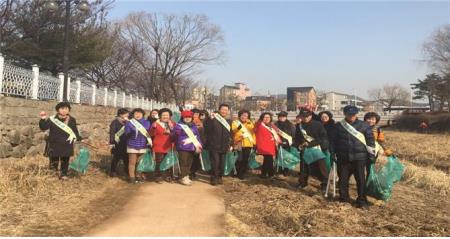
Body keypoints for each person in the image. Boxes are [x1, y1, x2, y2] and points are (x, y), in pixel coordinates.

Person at [334, 105, 375, 208]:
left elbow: (370, 141)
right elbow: (333, 141)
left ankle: (362, 200)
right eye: (349, 114)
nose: (351, 116)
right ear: (345, 114)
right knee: (343, 180)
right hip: (343, 158)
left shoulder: (364, 126)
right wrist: (332, 153)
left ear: (356, 114)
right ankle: (344, 199)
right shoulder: (338, 126)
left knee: (361, 180)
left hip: (359, 158)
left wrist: (371, 156)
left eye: (353, 114)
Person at [39, 102, 82, 180]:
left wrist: (78, 137)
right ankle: (52, 174)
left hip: (66, 143)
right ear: (58, 110)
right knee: (53, 159)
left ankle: (64, 174)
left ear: (69, 110)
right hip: (54, 143)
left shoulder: (72, 120)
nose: (64, 110)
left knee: (65, 159)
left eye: (66, 108)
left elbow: (74, 130)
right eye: (62, 108)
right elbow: (44, 127)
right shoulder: (52, 119)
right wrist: (42, 120)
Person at [294, 107, 329, 191]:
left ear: (311, 116)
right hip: (305, 149)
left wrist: (310, 144)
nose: (305, 118)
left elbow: (323, 137)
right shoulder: (299, 126)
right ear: (301, 116)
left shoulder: (318, 124)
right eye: (303, 116)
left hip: (317, 148)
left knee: (321, 168)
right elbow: (297, 138)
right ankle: (302, 182)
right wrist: (298, 145)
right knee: (304, 167)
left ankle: (324, 184)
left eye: (307, 116)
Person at [204, 104, 233, 186]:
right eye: (223, 109)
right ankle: (214, 178)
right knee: (215, 162)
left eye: (226, 110)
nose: (224, 111)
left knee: (222, 163)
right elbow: (206, 127)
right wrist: (209, 118)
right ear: (219, 110)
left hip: (224, 146)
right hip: (214, 145)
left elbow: (231, 134)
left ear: (228, 111)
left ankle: (220, 177)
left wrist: (231, 144)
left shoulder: (229, 122)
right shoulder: (213, 119)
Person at [173, 110, 203, 186]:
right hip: (182, 147)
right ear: (182, 117)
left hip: (192, 147)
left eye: (189, 117)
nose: (187, 118)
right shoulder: (178, 125)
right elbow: (177, 134)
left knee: (189, 163)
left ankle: (186, 175)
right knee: (183, 162)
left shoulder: (193, 126)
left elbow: (198, 136)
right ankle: (182, 177)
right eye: (185, 117)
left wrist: (199, 145)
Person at [125, 108, 152, 184]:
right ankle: (132, 178)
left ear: (143, 115)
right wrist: (131, 130)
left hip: (143, 144)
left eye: (139, 113)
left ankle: (138, 176)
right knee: (132, 162)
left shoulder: (147, 122)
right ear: (133, 115)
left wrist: (134, 128)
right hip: (132, 144)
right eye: (136, 113)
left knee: (140, 162)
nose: (138, 115)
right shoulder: (129, 123)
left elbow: (146, 129)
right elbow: (127, 133)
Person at [149, 108, 175, 183]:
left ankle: (167, 176)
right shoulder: (156, 124)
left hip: (169, 145)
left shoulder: (173, 124)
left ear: (170, 116)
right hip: (158, 145)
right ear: (160, 116)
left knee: (168, 161)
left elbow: (176, 134)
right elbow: (151, 134)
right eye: (163, 115)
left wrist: (171, 132)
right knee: (159, 161)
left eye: (167, 115)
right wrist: (153, 128)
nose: (165, 116)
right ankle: (158, 176)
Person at [254, 112, 281, 179]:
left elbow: (276, 131)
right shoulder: (259, 125)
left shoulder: (270, 125)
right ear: (262, 118)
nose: (266, 119)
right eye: (265, 117)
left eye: (268, 117)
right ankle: (270, 174)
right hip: (264, 145)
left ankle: (264, 173)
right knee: (269, 159)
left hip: (270, 145)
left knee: (268, 160)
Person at [231, 109, 256, 180]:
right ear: (239, 115)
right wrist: (239, 129)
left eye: (246, 116)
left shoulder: (250, 123)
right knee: (239, 159)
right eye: (242, 115)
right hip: (239, 143)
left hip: (248, 144)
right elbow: (233, 131)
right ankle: (236, 172)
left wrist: (254, 143)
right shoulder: (235, 122)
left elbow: (253, 134)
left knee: (245, 159)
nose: (244, 117)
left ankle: (242, 173)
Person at [109, 108, 130, 177]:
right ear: (121, 115)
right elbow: (112, 132)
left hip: (126, 142)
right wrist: (112, 142)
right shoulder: (115, 122)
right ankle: (113, 171)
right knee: (116, 157)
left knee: (126, 158)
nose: (127, 115)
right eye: (126, 114)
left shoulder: (128, 122)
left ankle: (126, 171)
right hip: (117, 142)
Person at [274, 111, 295, 178]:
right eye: (280, 116)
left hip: (287, 144)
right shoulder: (276, 124)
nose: (281, 118)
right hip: (278, 144)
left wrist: (288, 142)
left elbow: (293, 135)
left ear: (286, 117)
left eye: (283, 116)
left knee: (286, 158)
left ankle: (285, 171)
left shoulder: (290, 125)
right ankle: (279, 170)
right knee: (278, 157)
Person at [190, 109, 207, 180]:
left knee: (196, 159)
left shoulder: (202, 123)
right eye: (194, 114)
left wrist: (202, 143)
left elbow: (203, 134)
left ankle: (193, 172)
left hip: (198, 144)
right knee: (189, 159)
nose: (195, 116)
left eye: (197, 114)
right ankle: (188, 172)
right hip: (189, 144)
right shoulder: (187, 122)